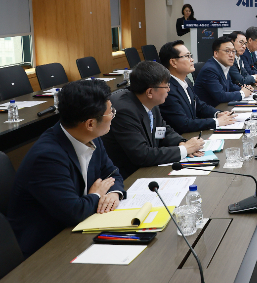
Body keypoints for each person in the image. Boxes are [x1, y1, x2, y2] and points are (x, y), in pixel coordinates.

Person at [7, 80, 126, 258]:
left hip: (81, 226)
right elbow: (73, 212)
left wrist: (114, 193)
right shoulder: (47, 157)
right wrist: (96, 196)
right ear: (90, 123)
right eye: (111, 112)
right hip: (47, 247)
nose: (113, 115)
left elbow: (112, 174)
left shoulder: (92, 137)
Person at [102, 61, 205, 178]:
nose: (169, 90)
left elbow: (162, 130)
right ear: (150, 92)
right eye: (166, 86)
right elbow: (142, 155)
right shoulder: (124, 111)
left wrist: (181, 142)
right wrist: (184, 149)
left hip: (146, 169)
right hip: (128, 177)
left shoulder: (149, 101)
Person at [158, 40, 238, 134]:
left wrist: (218, 114)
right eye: (187, 56)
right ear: (173, 62)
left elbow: (199, 106)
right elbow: (183, 124)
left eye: (190, 56)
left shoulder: (184, 81)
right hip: (182, 140)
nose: (192, 60)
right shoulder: (167, 90)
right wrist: (216, 122)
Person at [194, 36, 252, 107]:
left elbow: (230, 86)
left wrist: (245, 89)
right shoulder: (210, 69)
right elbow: (220, 96)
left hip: (222, 107)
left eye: (233, 51)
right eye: (227, 51)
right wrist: (242, 93)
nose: (231, 55)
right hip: (210, 112)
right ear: (216, 53)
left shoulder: (223, 66)